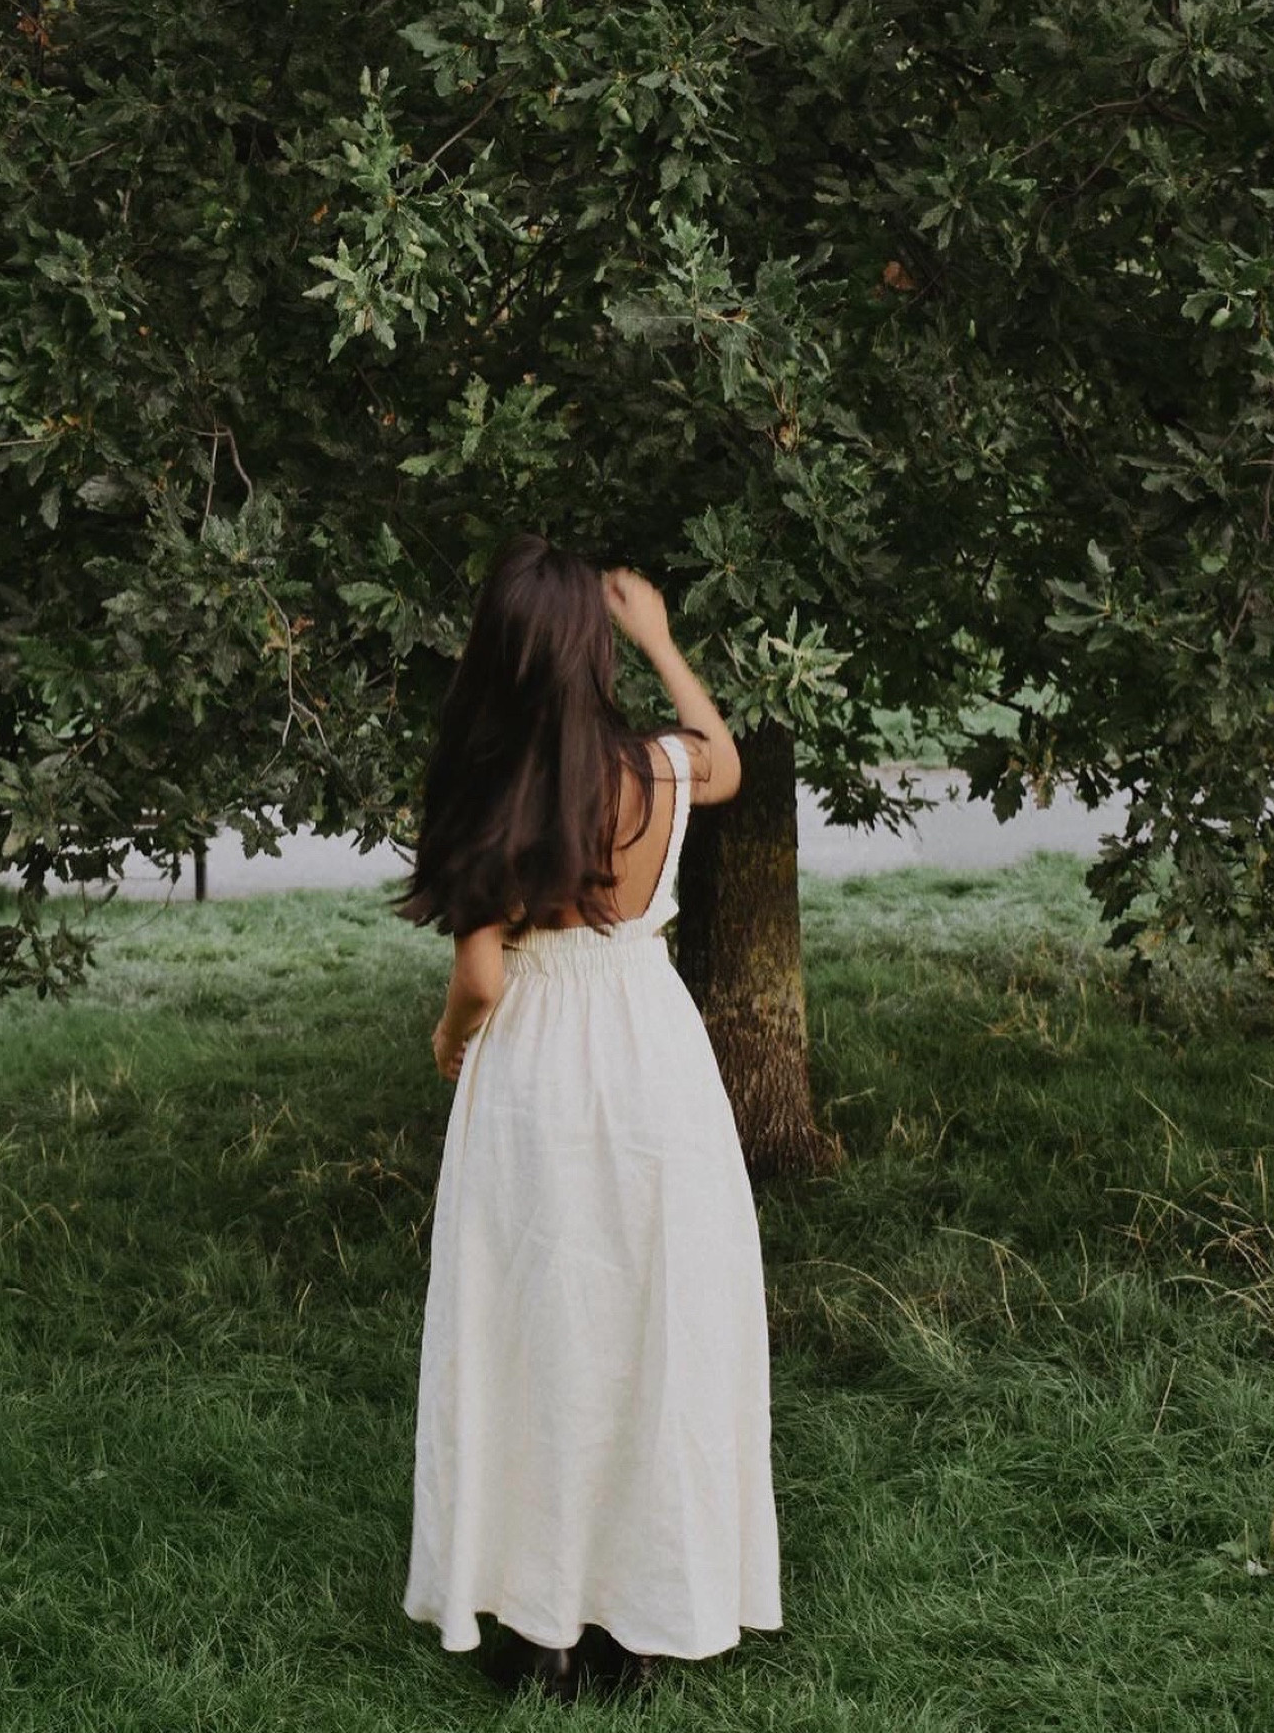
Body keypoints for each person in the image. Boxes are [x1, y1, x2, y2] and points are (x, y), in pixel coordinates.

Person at [394, 533, 782, 1701]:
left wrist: (449, 1042)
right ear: (587, 649)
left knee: (534, 1324)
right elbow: (725, 759)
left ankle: (542, 1622)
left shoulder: (486, 783)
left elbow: (481, 978)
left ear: (495, 652)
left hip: (540, 1064)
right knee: (652, 1317)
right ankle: (633, 1615)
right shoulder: (659, 767)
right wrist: (658, 638)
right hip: (653, 1051)